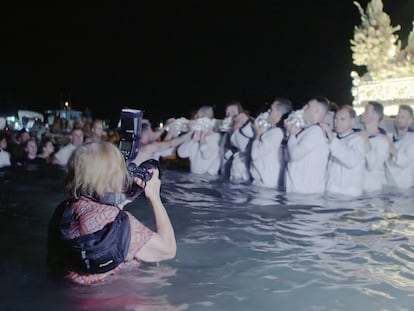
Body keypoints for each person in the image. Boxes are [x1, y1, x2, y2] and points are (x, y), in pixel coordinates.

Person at [47, 141, 176, 285]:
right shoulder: (122, 224)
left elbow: (98, 219)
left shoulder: (64, 209)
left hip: (69, 292)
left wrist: (124, 199)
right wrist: (154, 197)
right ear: (111, 176)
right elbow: (168, 250)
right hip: (112, 298)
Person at [284, 96, 330, 194]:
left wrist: (291, 135)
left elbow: (294, 155)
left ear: (316, 111)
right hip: (301, 193)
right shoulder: (310, 130)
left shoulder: (315, 132)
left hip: (305, 195)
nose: (304, 108)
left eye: (308, 106)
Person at [321, 105, 366, 197]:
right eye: (336, 119)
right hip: (331, 192)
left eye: (342, 119)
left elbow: (351, 161)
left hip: (348, 195)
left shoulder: (358, 140)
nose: (337, 122)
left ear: (352, 121)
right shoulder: (333, 138)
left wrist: (331, 136)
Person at [250, 98, 292, 189]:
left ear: (278, 114)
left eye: (271, 109)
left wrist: (257, 134)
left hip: (265, 185)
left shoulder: (276, 133)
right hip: (269, 183)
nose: (268, 111)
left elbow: (255, 155)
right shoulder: (281, 132)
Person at [177, 105, 221, 175]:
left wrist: (203, 136)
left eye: (199, 118)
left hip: (208, 180)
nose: (197, 120)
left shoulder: (216, 137)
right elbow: (181, 154)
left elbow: (206, 155)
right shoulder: (194, 136)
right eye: (197, 118)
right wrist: (193, 139)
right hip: (193, 178)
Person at [359, 101, 389, 193]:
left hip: (372, 191)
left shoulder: (382, 141)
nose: (362, 114)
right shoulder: (359, 135)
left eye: (366, 111)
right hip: (358, 188)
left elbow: (373, 166)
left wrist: (365, 140)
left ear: (376, 116)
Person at [385, 105, 414, 189]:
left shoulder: (412, 139)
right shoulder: (388, 137)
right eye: (398, 116)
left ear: (410, 121)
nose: (398, 119)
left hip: (404, 187)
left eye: (403, 117)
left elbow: (404, 161)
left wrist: (390, 146)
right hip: (388, 186)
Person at [219, 101, 244, 178]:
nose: (231, 116)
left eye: (234, 113)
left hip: (240, 178)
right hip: (225, 176)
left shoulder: (245, 134)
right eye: (228, 114)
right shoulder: (225, 135)